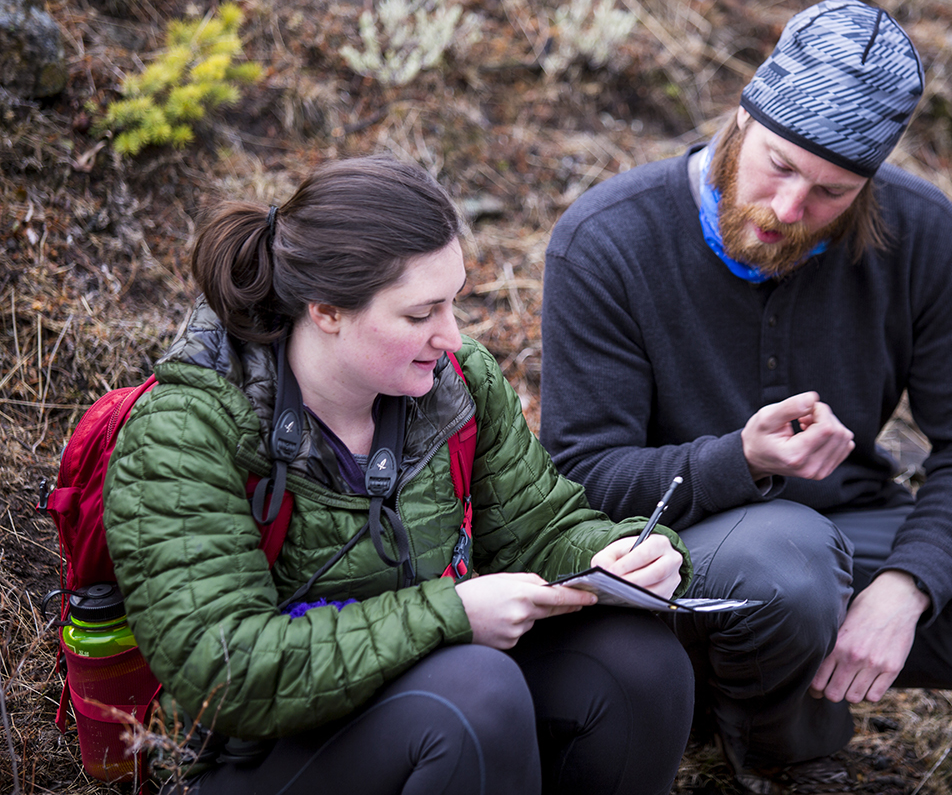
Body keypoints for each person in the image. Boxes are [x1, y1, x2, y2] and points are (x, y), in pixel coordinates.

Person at [538, 0, 952, 794]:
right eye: (777, 165)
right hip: (679, 563)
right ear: (743, 115)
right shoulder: (610, 239)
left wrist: (909, 583)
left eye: (831, 192)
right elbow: (582, 479)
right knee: (790, 554)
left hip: (859, 549)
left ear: (869, 183)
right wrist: (737, 459)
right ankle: (783, 760)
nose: (788, 211)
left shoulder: (919, 232)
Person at [104, 155, 695, 795]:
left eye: (453, 304)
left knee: (642, 667)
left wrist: (620, 555)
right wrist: (451, 614)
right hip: (251, 754)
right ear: (326, 310)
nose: (451, 335)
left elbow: (542, 530)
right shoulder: (187, 429)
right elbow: (225, 672)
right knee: (476, 696)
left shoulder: (458, 386)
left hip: (435, 681)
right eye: (421, 315)